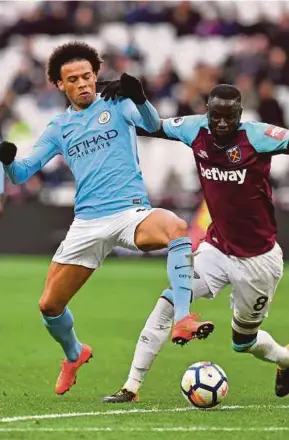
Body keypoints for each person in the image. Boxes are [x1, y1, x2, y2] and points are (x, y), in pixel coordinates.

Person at [0, 42, 213, 396]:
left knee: (176, 228)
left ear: (95, 76)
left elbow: (152, 123)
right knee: (49, 306)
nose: (83, 83)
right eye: (73, 79)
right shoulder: (59, 127)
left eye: (87, 76)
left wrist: (140, 97)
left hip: (130, 212)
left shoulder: (117, 104)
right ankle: (74, 353)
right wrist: (7, 161)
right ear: (59, 84)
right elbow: (22, 174)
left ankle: (183, 317)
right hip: (87, 224)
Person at [102, 83, 289, 403]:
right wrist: (139, 98)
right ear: (208, 113)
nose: (222, 124)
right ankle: (130, 387)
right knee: (168, 303)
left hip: (258, 258)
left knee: (243, 342)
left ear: (240, 115)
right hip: (216, 247)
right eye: (216, 116)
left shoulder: (258, 136)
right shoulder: (195, 129)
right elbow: (154, 126)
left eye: (229, 117)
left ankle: (285, 360)